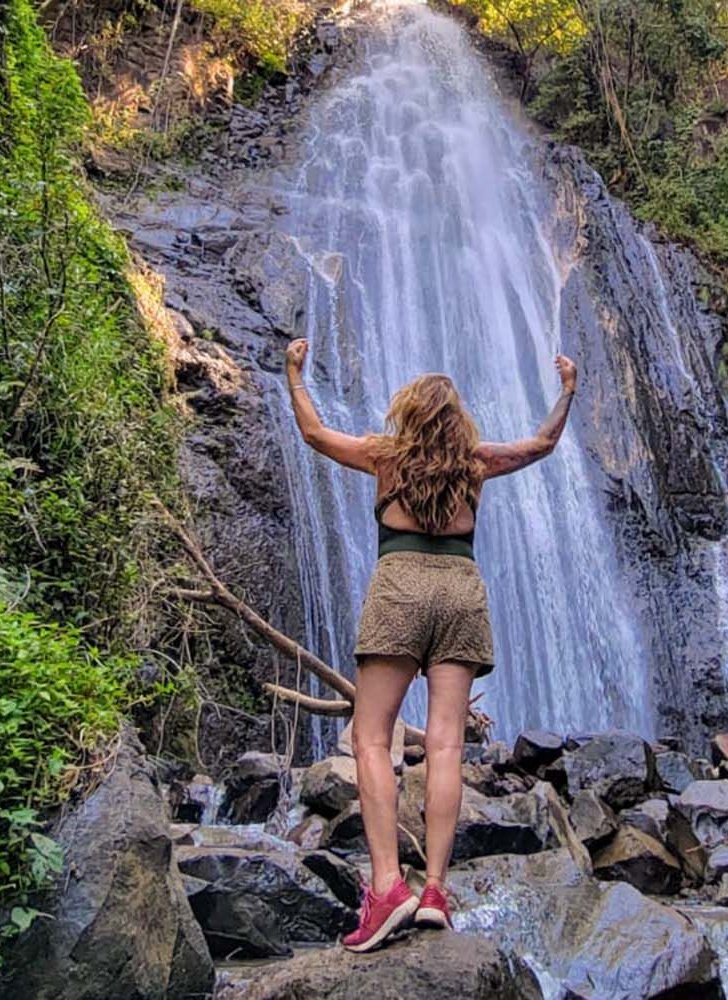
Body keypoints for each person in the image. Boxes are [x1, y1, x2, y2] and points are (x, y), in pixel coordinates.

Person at [284, 338, 577, 952]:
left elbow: (314, 435)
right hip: (461, 591)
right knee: (446, 744)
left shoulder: (383, 455)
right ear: (457, 420)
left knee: (370, 738)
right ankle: (437, 891)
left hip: (399, 588)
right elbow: (542, 445)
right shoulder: (475, 461)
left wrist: (295, 375)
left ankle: (388, 886)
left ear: (408, 414)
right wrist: (566, 394)